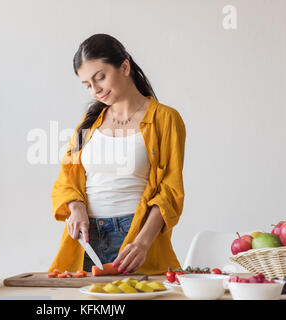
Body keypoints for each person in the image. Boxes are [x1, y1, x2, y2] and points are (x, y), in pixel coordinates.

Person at [49, 34, 186, 275]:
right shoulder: (89, 123)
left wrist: (142, 243)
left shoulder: (165, 119)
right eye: (87, 85)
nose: (95, 90)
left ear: (124, 66)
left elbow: (170, 191)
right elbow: (67, 177)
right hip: (87, 241)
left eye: (100, 77)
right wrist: (77, 206)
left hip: (134, 238)